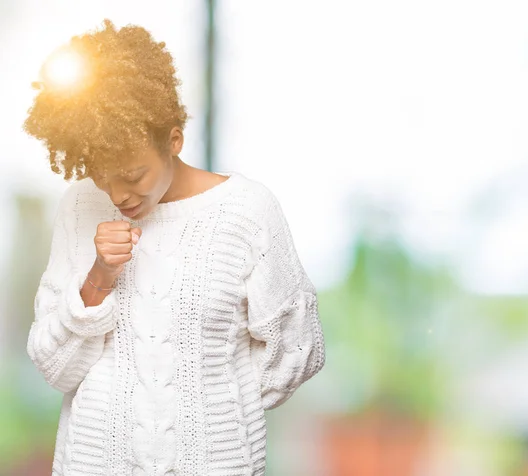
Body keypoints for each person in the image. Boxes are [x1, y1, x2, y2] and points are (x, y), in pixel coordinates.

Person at [23, 19, 325, 475]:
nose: (118, 195)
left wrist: (216, 410)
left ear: (174, 140)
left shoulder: (246, 211)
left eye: (132, 175)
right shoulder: (80, 206)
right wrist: (98, 278)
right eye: (103, 178)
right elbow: (55, 368)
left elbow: (298, 348)